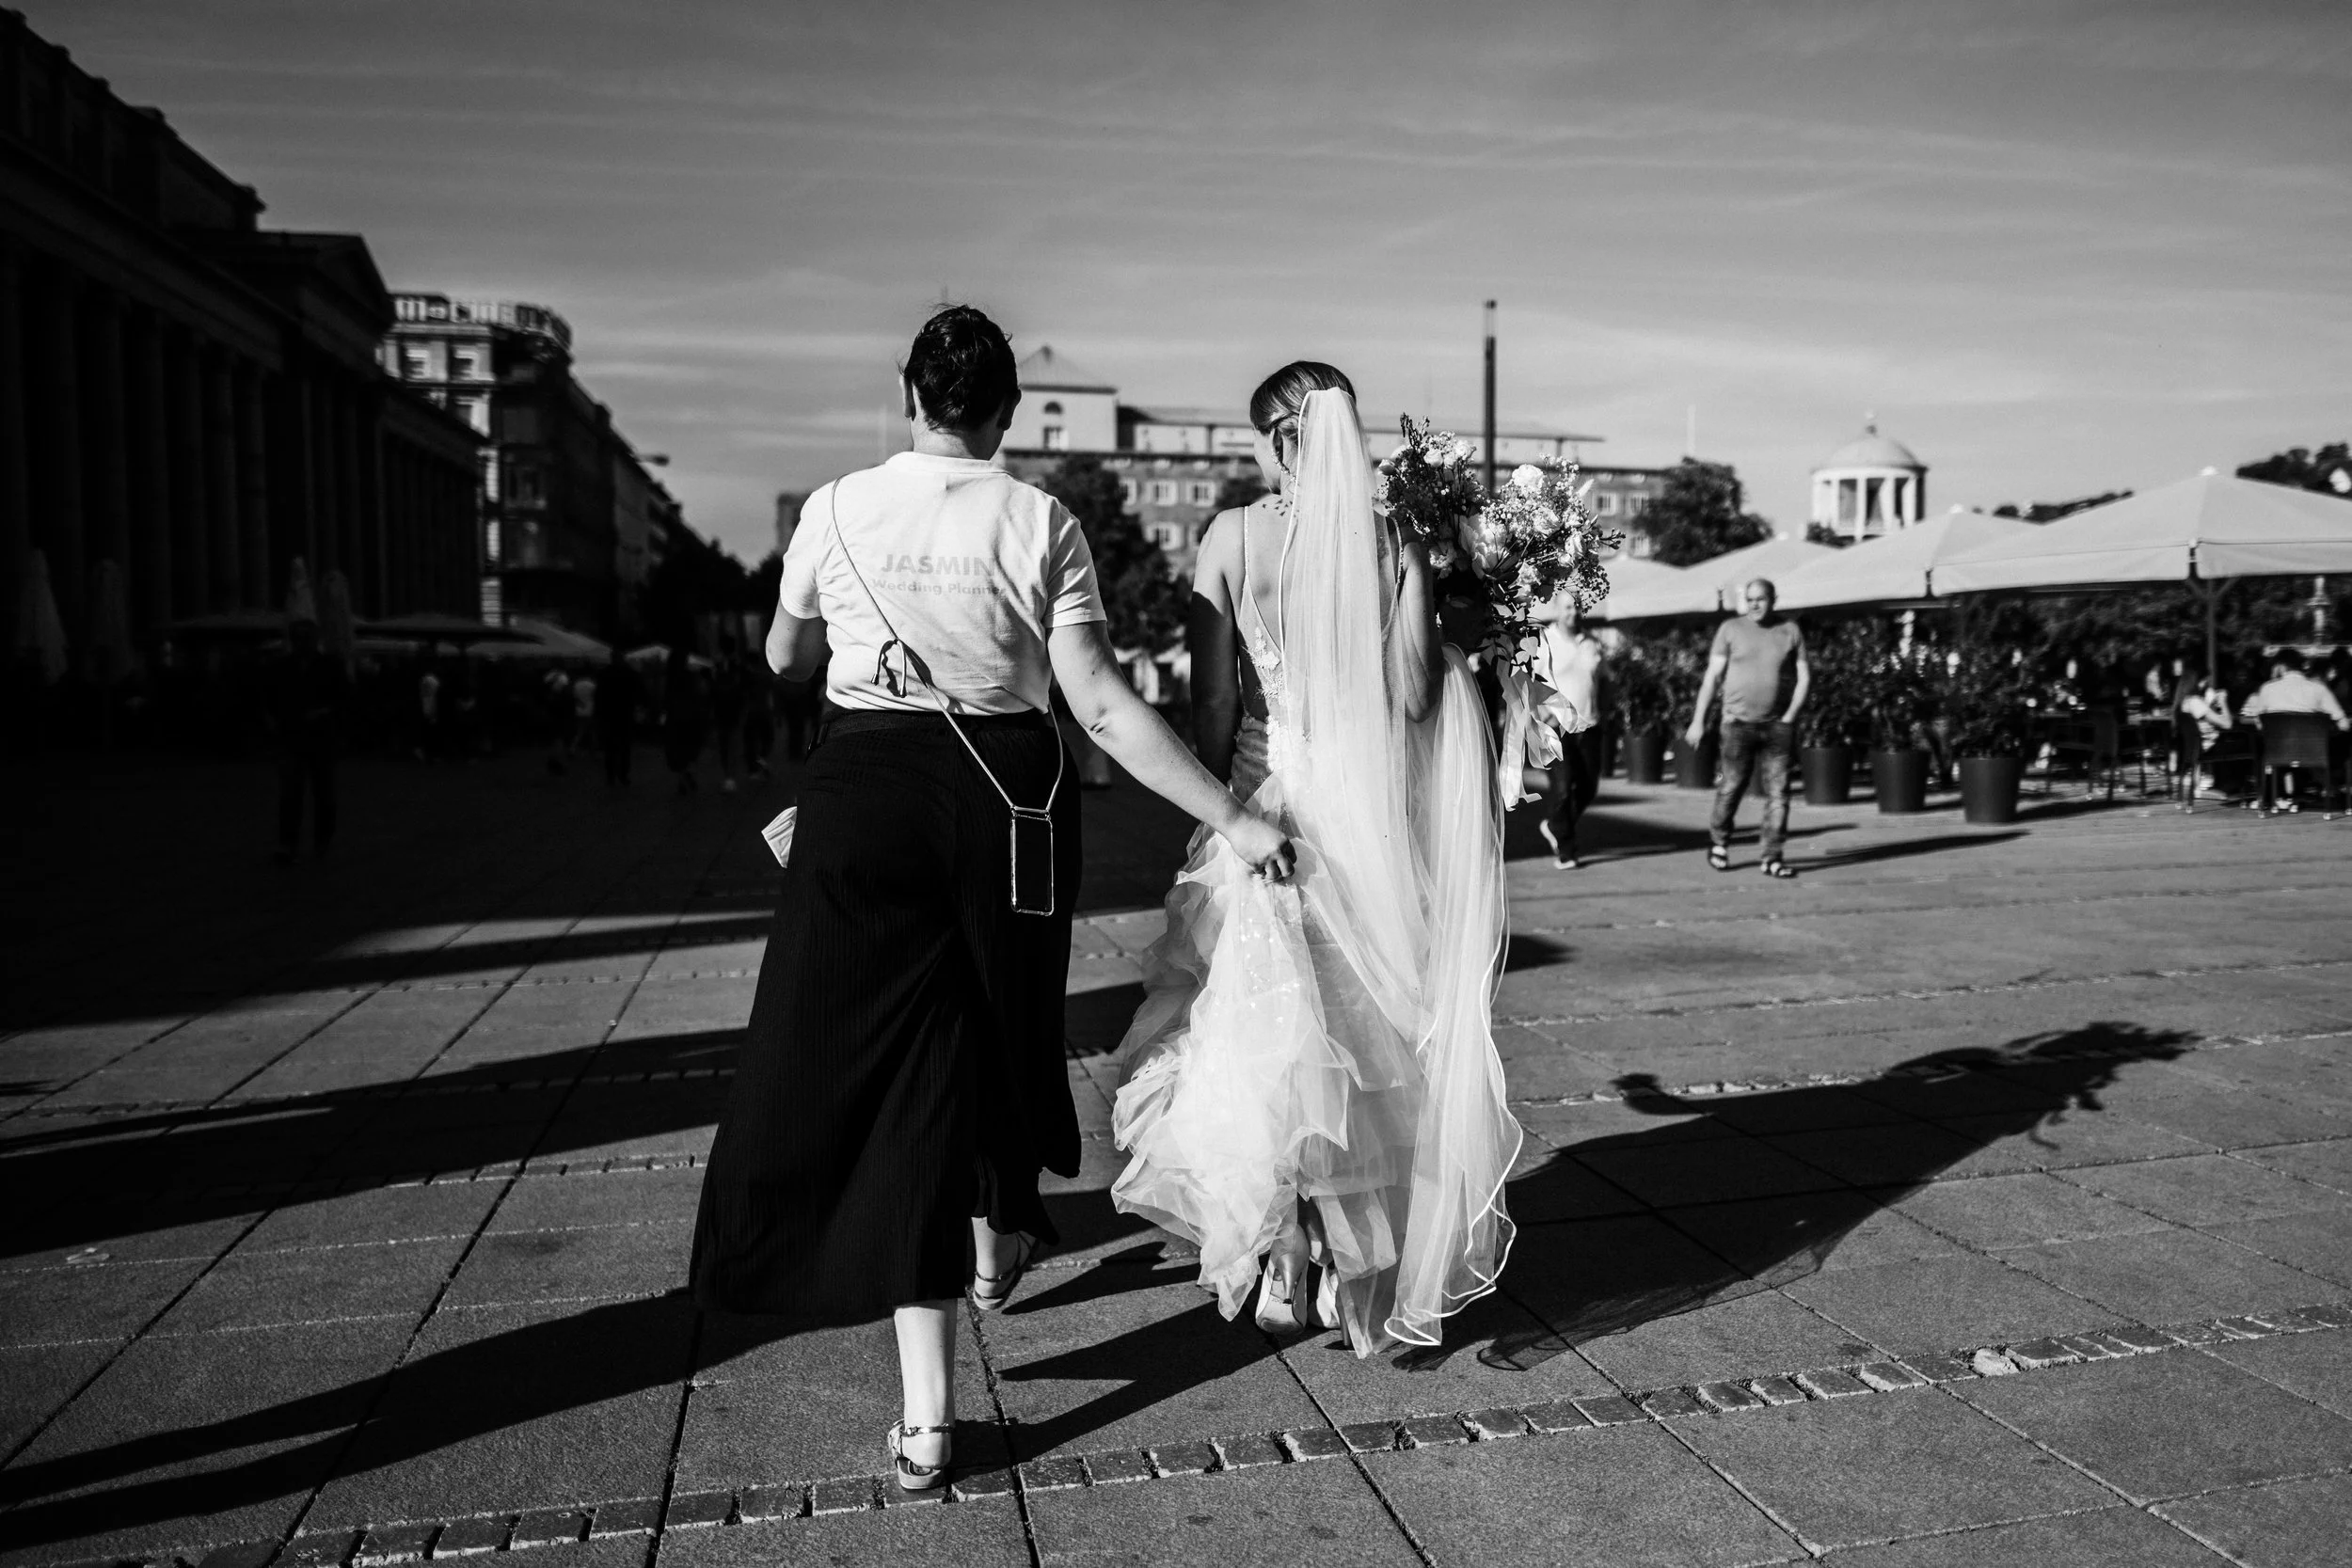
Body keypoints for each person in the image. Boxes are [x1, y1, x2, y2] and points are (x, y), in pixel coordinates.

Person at [690, 306, 1291, 1497]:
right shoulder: (1043, 520)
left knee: (880, 1064)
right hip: (1004, 801)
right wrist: (1233, 814)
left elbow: (782, 661)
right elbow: (1104, 707)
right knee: (1001, 1026)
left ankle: (926, 1413)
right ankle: (997, 1219)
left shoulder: (835, 506)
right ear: (1006, 412)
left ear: (907, 394)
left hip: (865, 794)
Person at [1110, 363, 1521, 1359]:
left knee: (1257, 1030)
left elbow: (1213, 704)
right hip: (1365, 817)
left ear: (1270, 439)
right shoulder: (1394, 541)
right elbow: (1418, 701)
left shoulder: (1231, 538)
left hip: (1263, 802)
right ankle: (1349, 1267)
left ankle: (1284, 1249)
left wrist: (1216, 814)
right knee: (1362, 1036)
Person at [1686, 578, 1808, 877]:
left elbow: (1804, 677)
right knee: (1731, 787)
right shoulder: (1730, 629)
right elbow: (1713, 677)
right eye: (1750, 599)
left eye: (1761, 599)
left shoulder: (1790, 631)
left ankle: (1772, 856)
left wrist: (1791, 715)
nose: (1754, 604)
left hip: (1777, 727)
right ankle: (1719, 842)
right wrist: (1698, 719)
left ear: (1773, 599)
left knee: (1779, 795)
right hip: (1737, 724)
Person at [1534, 595, 1605, 869]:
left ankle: (1554, 826)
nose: (1573, 612)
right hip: (1558, 727)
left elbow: (1601, 680)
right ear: (1556, 610)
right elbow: (1528, 681)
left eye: (1577, 606)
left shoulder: (1592, 643)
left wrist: (1604, 712)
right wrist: (1542, 715)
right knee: (1563, 790)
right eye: (1567, 607)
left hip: (1590, 724)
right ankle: (1567, 851)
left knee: (1588, 788)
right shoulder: (1545, 641)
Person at [268, 617, 344, 863]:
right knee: (290, 794)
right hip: (291, 737)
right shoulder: (282, 666)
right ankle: (287, 842)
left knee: (324, 794)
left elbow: (344, 698)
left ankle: (323, 839)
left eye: (306, 637)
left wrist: (325, 711)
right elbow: (269, 697)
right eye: (297, 638)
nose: (301, 642)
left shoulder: (330, 665)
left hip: (321, 739)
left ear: (315, 639)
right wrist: (270, 719)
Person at [2239, 647, 2349, 811]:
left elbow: (2261, 725)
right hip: (2315, 753)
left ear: (2281, 667)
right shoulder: (2318, 689)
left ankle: (2271, 794)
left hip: (2277, 752)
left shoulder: (2267, 689)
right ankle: (2338, 792)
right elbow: (2344, 725)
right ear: (2302, 666)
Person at [662, 646, 707, 793]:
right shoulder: (691, 676)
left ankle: (682, 777)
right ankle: (686, 774)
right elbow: (700, 694)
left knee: (677, 750)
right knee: (688, 748)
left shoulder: (669, 678)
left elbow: (665, 698)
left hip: (675, 717)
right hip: (691, 717)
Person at [596, 647, 638, 786]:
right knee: (624, 747)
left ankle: (611, 776)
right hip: (625, 715)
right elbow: (640, 693)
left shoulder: (603, 674)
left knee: (610, 748)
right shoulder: (630, 673)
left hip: (609, 715)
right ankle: (623, 774)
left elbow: (598, 696)